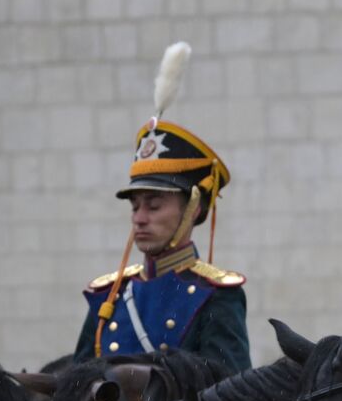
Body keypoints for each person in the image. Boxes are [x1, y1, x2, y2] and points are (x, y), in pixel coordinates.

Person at [74, 43, 250, 374]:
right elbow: (75, 391)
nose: (139, 218)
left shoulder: (216, 296)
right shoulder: (109, 295)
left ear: (193, 209)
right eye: (136, 206)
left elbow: (232, 399)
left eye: (154, 206)